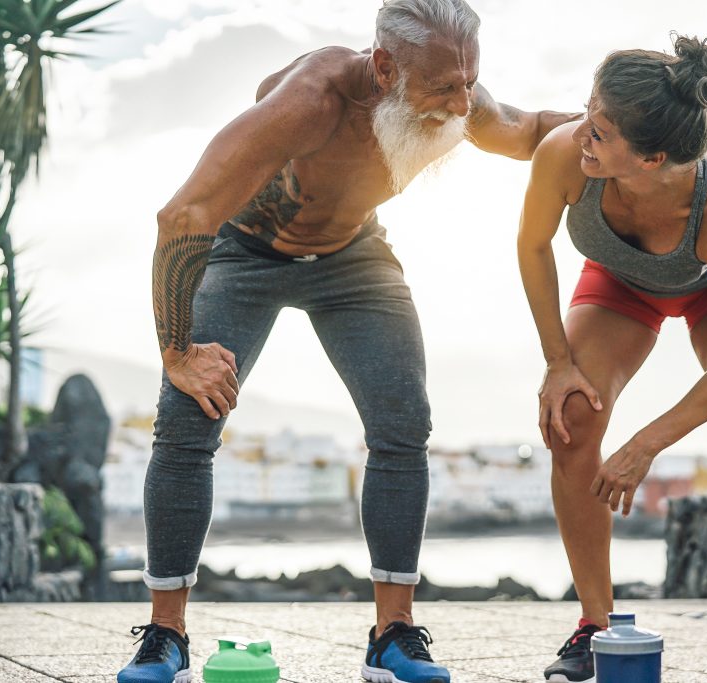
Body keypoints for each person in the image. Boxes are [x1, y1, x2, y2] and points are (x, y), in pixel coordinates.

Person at [117, 2, 579, 682]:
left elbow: (533, 129)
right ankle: (165, 635)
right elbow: (181, 214)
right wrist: (177, 353)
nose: (461, 103)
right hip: (246, 252)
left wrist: (614, 124)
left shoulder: (459, 95)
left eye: (469, 82)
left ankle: (393, 636)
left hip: (352, 255)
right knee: (188, 417)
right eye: (445, 86)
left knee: (402, 422)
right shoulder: (312, 100)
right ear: (385, 67)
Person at [517, 35, 707, 683]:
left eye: (600, 132)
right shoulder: (565, 153)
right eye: (587, 113)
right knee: (571, 414)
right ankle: (594, 626)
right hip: (621, 281)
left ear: (652, 156)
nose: (583, 136)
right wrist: (556, 363)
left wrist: (645, 444)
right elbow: (533, 245)